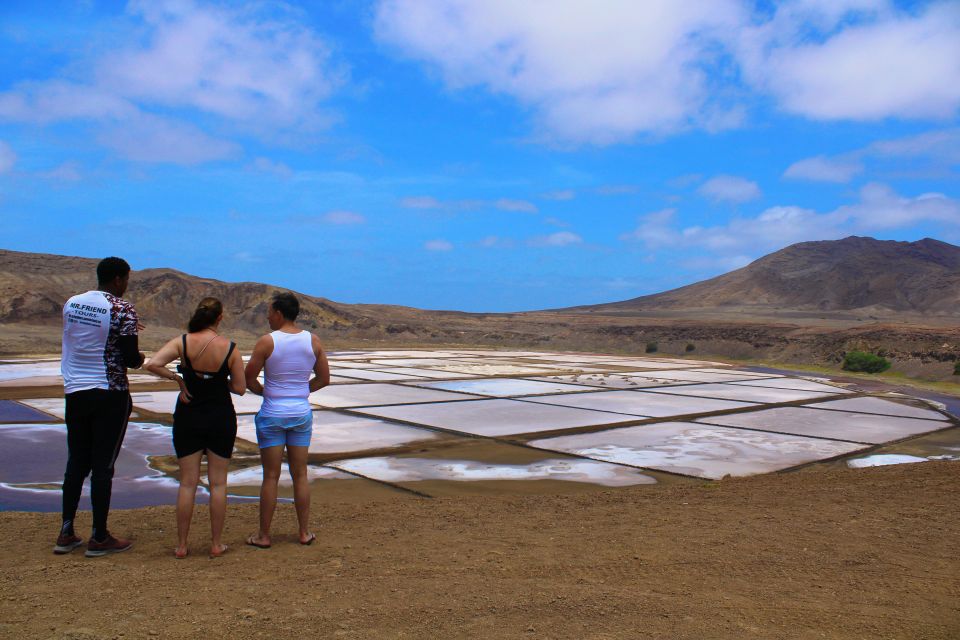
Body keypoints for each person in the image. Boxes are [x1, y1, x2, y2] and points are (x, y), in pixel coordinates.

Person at [143, 297, 245, 559]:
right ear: (219, 318)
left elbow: (153, 364)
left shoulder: (182, 342)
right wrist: (219, 381)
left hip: (188, 416)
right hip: (220, 417)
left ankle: (181, 545)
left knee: (187, 483)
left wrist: (178, 378)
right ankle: (215, 543)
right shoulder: (231, 349)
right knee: (218, 484)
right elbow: (241, 388)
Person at [56, 256, 144, 557]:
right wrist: (141, 356)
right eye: (127, 279)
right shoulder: (122, 308)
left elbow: (83, 338)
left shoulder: (72, 303)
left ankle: (66, 530)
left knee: (76, 461)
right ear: (119, 279)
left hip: (75, 391)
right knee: (103, 465)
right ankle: (99, 535)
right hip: (109, 393)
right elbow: (130, 357)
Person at [244, 292, 330, 548]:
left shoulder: (267, 342)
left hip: (272, 413)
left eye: (269, 312)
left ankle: (264, 535)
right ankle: (303, 532)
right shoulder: (312, 341)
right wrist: (301, 392)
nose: (268, 317)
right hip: (300, 413)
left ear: (279, 313)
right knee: (300, 474)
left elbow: (250, 377)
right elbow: (324, 378)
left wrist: (266, 392)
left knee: (270, 476)